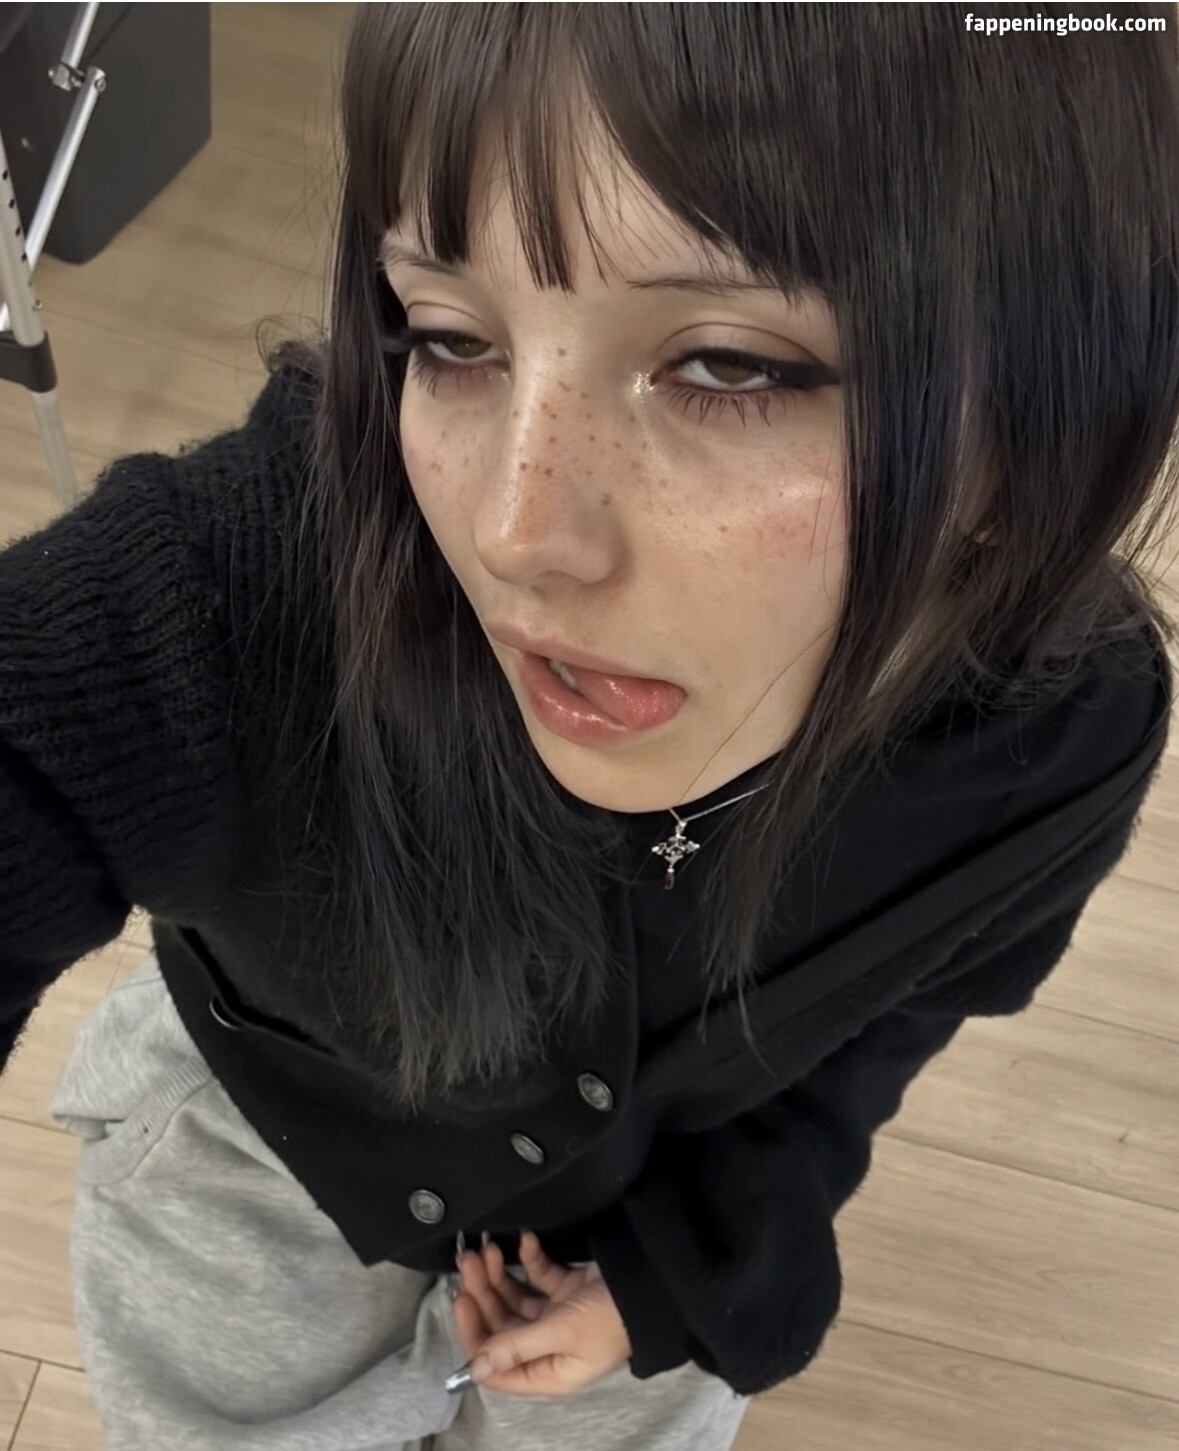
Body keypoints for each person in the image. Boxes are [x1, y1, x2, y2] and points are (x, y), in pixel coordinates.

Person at [2, 4, 1176, 1448]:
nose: (513, 532)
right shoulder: (288, 563)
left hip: (639, 1220)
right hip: (266, 1138)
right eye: (449, 338)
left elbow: (867, 1042)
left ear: (1036, 421)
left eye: (729, 365)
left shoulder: (1063, 736)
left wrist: (673, 1279)